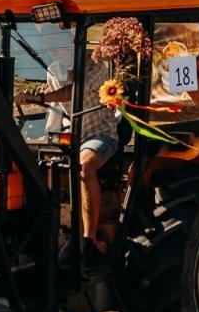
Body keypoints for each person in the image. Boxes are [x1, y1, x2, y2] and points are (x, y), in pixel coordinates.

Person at [15, 56, 123, 259]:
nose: (56, 50)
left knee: (85, 164)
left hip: (100, 134)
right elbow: (56, 102)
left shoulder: (96, 67)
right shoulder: (54, 70)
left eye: (60, 44)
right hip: (71, 135)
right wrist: (29, 99)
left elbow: (73, 92)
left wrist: (39, 98)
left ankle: (89, 240)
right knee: (31, 159)